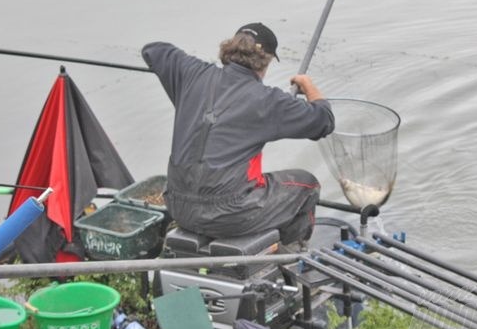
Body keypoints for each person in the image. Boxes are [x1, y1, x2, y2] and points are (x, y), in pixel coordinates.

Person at [142, 22, 335, 246]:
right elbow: (324, 121)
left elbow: (152, 50)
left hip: (177, 206)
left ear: (230, 50)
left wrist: (181, 90)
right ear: (267, 61)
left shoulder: (190, 73)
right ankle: (289, 256)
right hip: (229, 213)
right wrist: (308, 86)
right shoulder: (268, 100)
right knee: (307, 185)